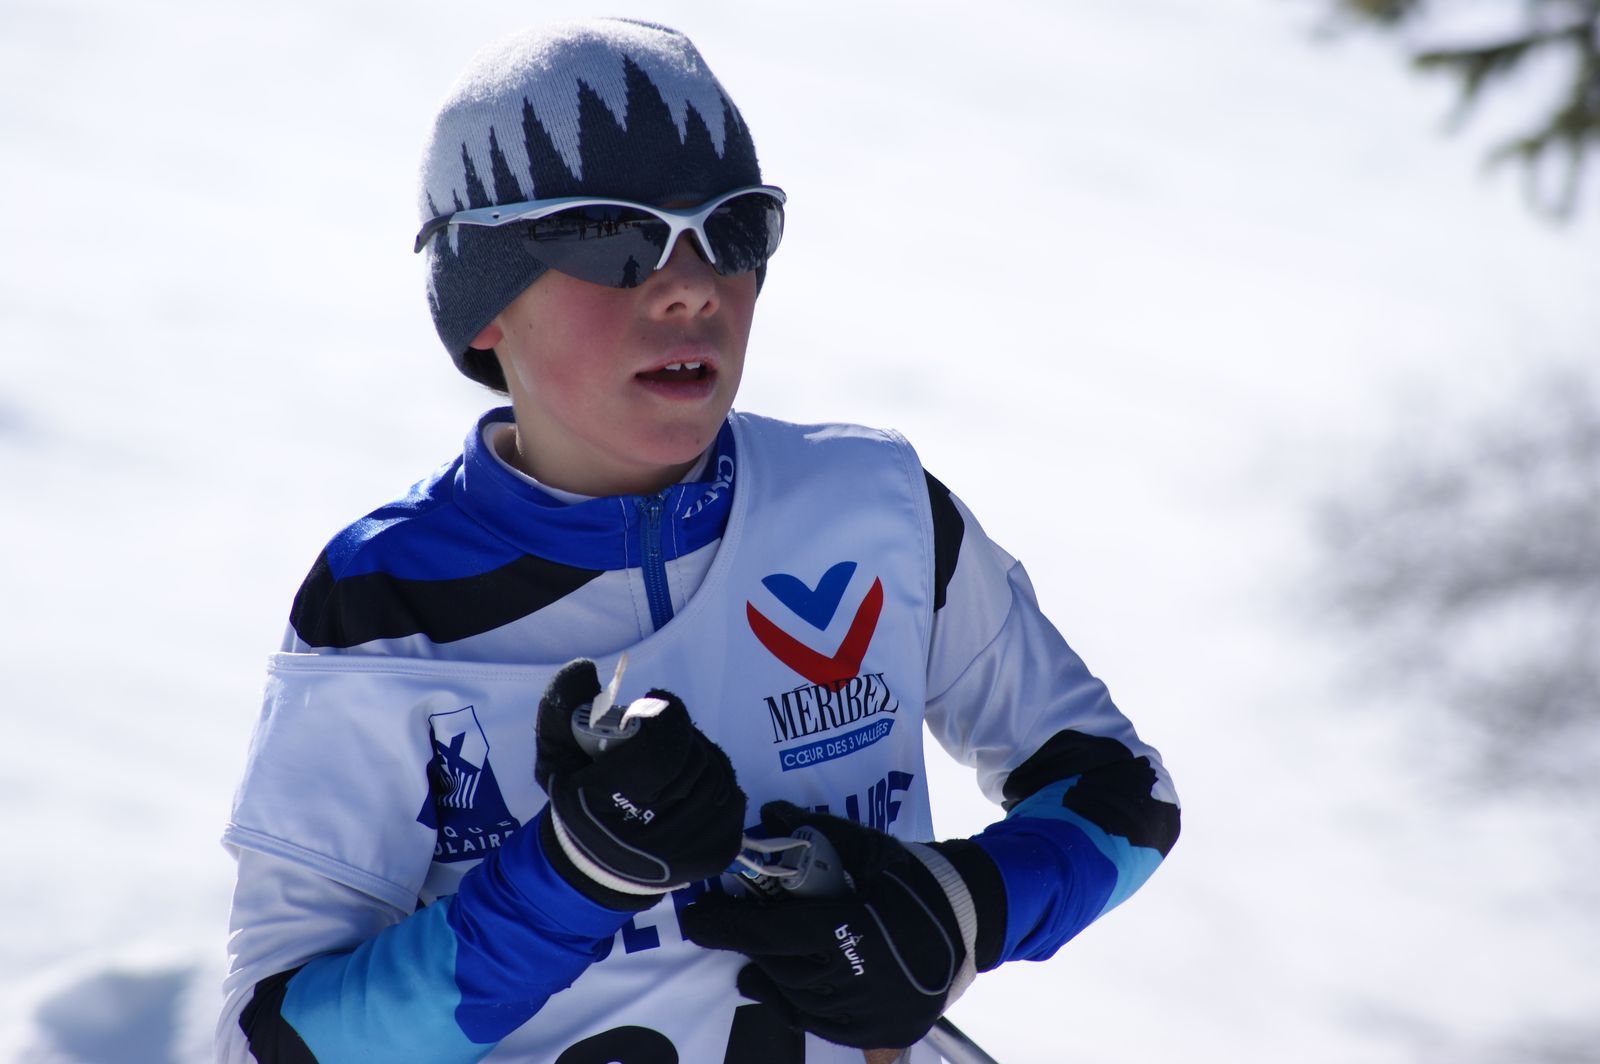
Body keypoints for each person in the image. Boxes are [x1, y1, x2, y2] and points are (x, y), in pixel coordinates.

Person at [217, 18, 1180, 1064]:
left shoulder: (876, 507)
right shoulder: (384, 601)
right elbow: (271, 1043)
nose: (691, 284)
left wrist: (957, 911)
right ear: (485, 305)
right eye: (611, 238)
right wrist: (569, 877)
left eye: (733, 230)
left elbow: (1123, 794)